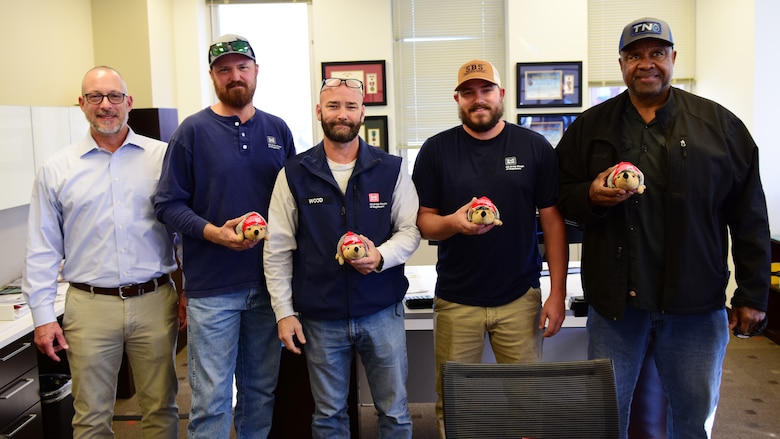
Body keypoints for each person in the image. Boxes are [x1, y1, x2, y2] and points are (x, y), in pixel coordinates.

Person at [555, 17, 771, 438]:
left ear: (673, 57)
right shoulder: (590, 127)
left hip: (695, 306)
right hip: (616, 307)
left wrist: (752, 293)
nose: (646, 63)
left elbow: (750, 217)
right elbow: (558, 195)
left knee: (692, 416)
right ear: (621, 63)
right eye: (634, 55)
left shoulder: (720, 128)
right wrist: (590, 197)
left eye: (656, 53)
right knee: (605, 414)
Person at [411, 59, 568, 436]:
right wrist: (454, 223)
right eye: (468, 92)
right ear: (457, 99)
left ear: (501, 94)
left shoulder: (534, 147)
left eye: (485, 90)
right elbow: (423, 221)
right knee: (456, 401)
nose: (477, 99)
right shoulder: (436, 151)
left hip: (519, 298)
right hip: (456, 300)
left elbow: (552, 222)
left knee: (526, 403)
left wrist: (557, 294)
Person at [22, 66, 180, 438]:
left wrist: (190, 290)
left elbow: (184, 229)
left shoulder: (163, 158)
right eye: (95, 97)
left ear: (129, 102)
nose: (105, 105)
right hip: (89, 306)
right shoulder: (56, 169)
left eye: (113, 96)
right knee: (91, 416)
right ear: (81, 104)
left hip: (155, 299)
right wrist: (43, 317)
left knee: (161, 407)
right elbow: (42, 246)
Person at [154, 34, 295, 438]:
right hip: (213, 290)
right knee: (212, 399)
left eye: (242, 67)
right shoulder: (191, 132)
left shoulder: (277, 130)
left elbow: (293, 202)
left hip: (268, 288)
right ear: (213, 76)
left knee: (259, 393)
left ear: (255, 71)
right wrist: (214, 233)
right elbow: (167, 205)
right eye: (224, 69)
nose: (235, 76)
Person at [263, 76, 420, 438]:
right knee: (329, 415)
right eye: (333, 106)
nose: (342, 114)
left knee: (394, 412)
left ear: (363, 112)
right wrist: (284, 313)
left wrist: (380, 256)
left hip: (382, 311)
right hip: (321, 318)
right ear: (319, 111)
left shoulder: (391, 168)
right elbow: (278, 248)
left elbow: (410, 231)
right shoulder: (294, 174)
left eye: (351, 106)